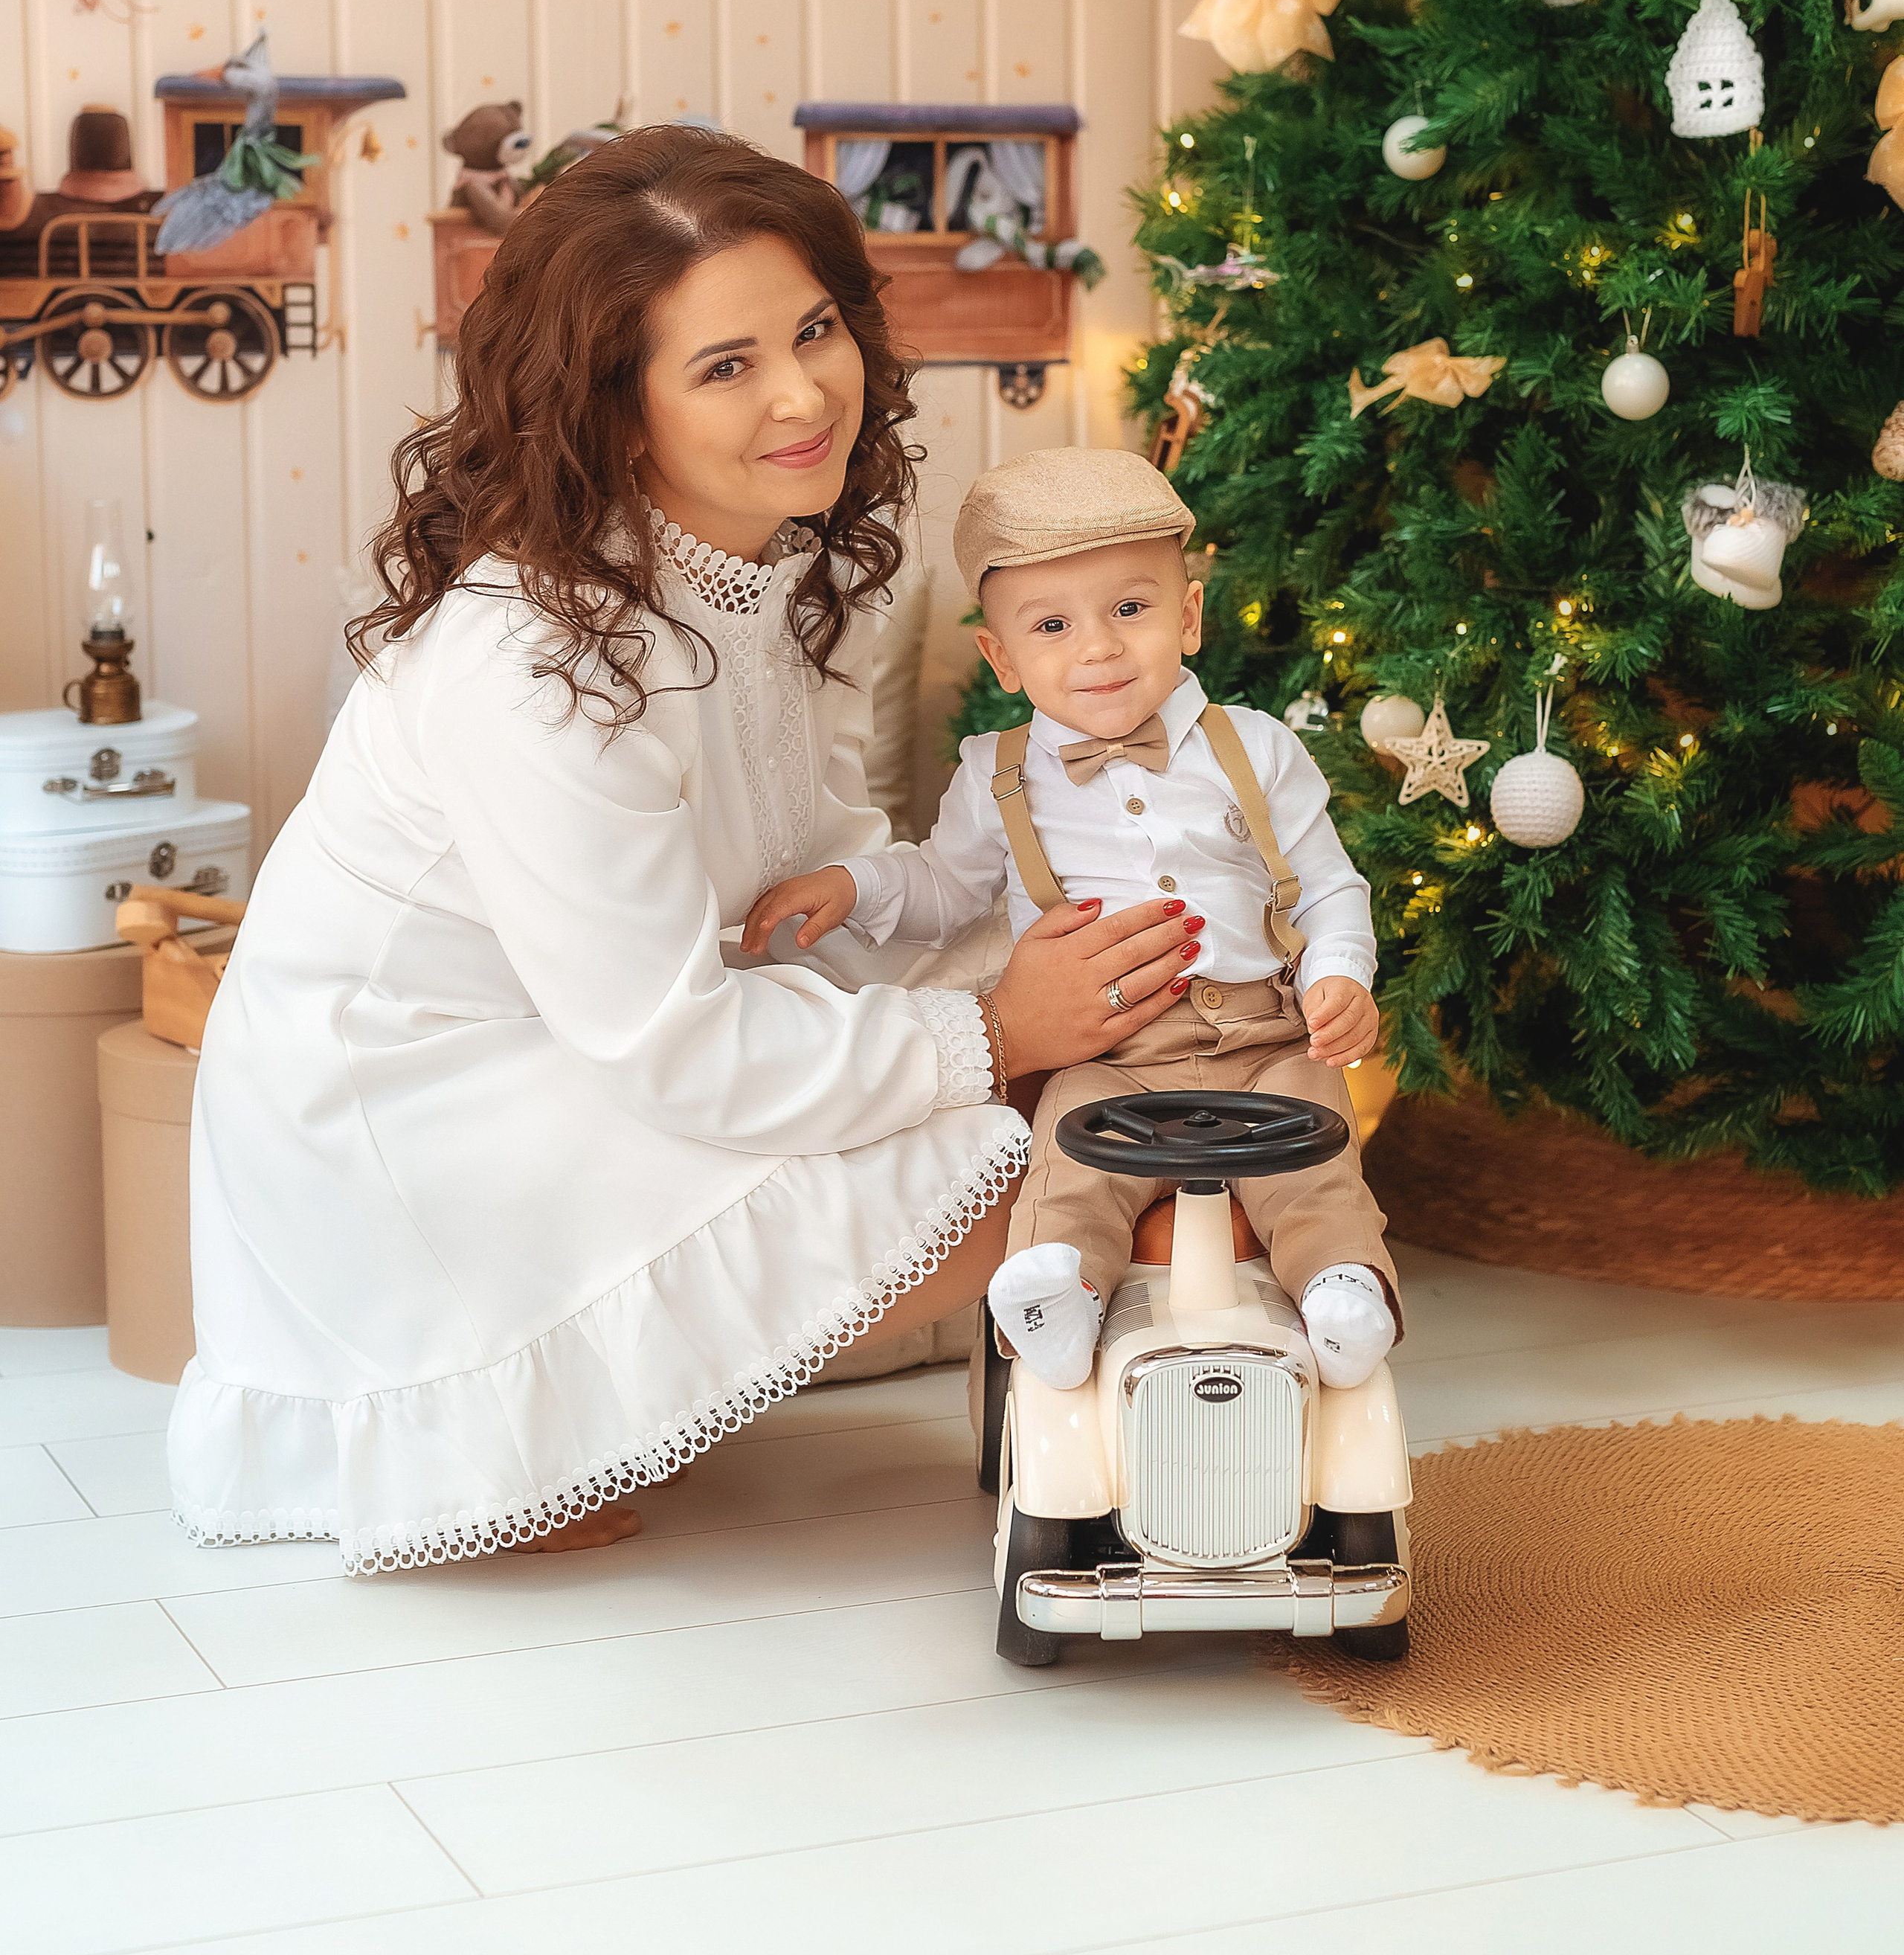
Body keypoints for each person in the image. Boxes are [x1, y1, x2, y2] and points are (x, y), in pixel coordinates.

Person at [167, 132, 1195, 1574]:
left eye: (815, 331)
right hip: (412, 1114)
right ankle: (508, 1426)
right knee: (1031, 1151)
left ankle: (1162, 1404)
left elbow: (811, 882)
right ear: (610, 406)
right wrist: (987, 1032)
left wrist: (1052, 955)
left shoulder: (749, 562)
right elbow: (674, 1045)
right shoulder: (530, 659)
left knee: (1112, 1041)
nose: (801, 394)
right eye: (725, 367)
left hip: (596, 1037)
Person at [744, 446, 1400, 1393]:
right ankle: (1059, 1297)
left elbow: (1329, 884)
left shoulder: (1255, 746)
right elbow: (942, 887)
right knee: (1066, 1157)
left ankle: (1344, 1292)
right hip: (1104, 1050)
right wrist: (856, 885)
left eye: (1129, 609)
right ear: (1001, 657)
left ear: (1189, 615)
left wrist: (1341, 974)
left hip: (1264, 1029)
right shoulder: (998, 771)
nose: (1096, 648)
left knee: (1314, 1146)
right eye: (1052, 624)